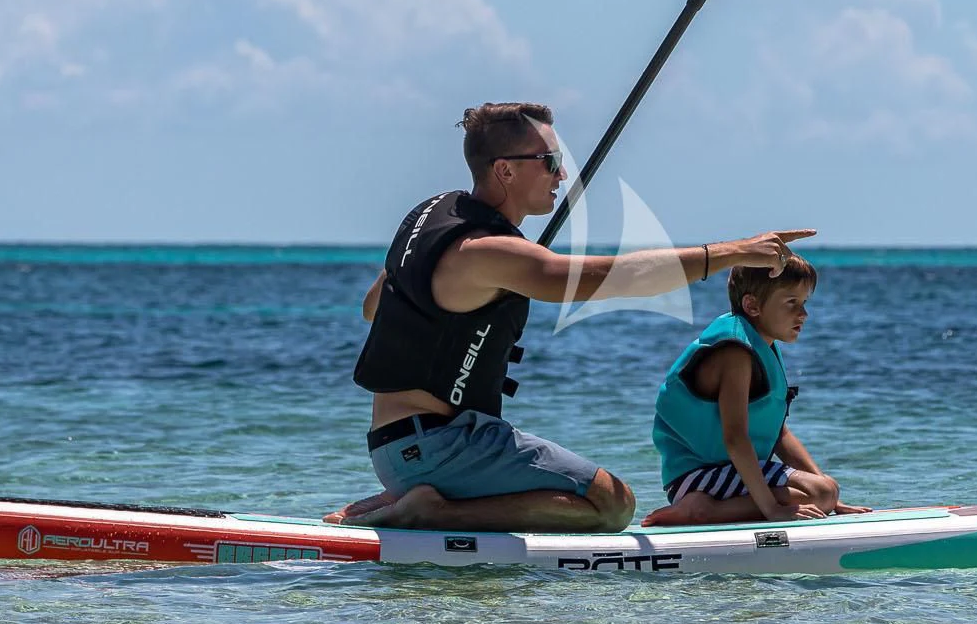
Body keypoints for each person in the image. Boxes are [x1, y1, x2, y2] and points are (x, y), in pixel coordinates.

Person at [326, 102, 814, 533]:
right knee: (612, 505)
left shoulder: (432, 215)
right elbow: (615, 278)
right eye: (551, 162)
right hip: (443, 446)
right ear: (506, 171)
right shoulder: (487, 251)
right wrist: (732, 253)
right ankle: (428, 511)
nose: (563, 176)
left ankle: (412, 497)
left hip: (396, 447)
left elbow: (376, 306)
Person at [641, 255, 869, 526]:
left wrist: (829, 497)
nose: (803, 314)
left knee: (824, 489)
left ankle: (714, 506)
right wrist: (773, 509)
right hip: (698, 477)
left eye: (804, 303)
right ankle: (703, 511)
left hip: (725, 475)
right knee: (821, 492)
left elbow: (778, 434)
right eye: (791, 303)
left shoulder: (760, 344)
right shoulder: (735, 353)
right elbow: (735, 438)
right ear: (752, 306)